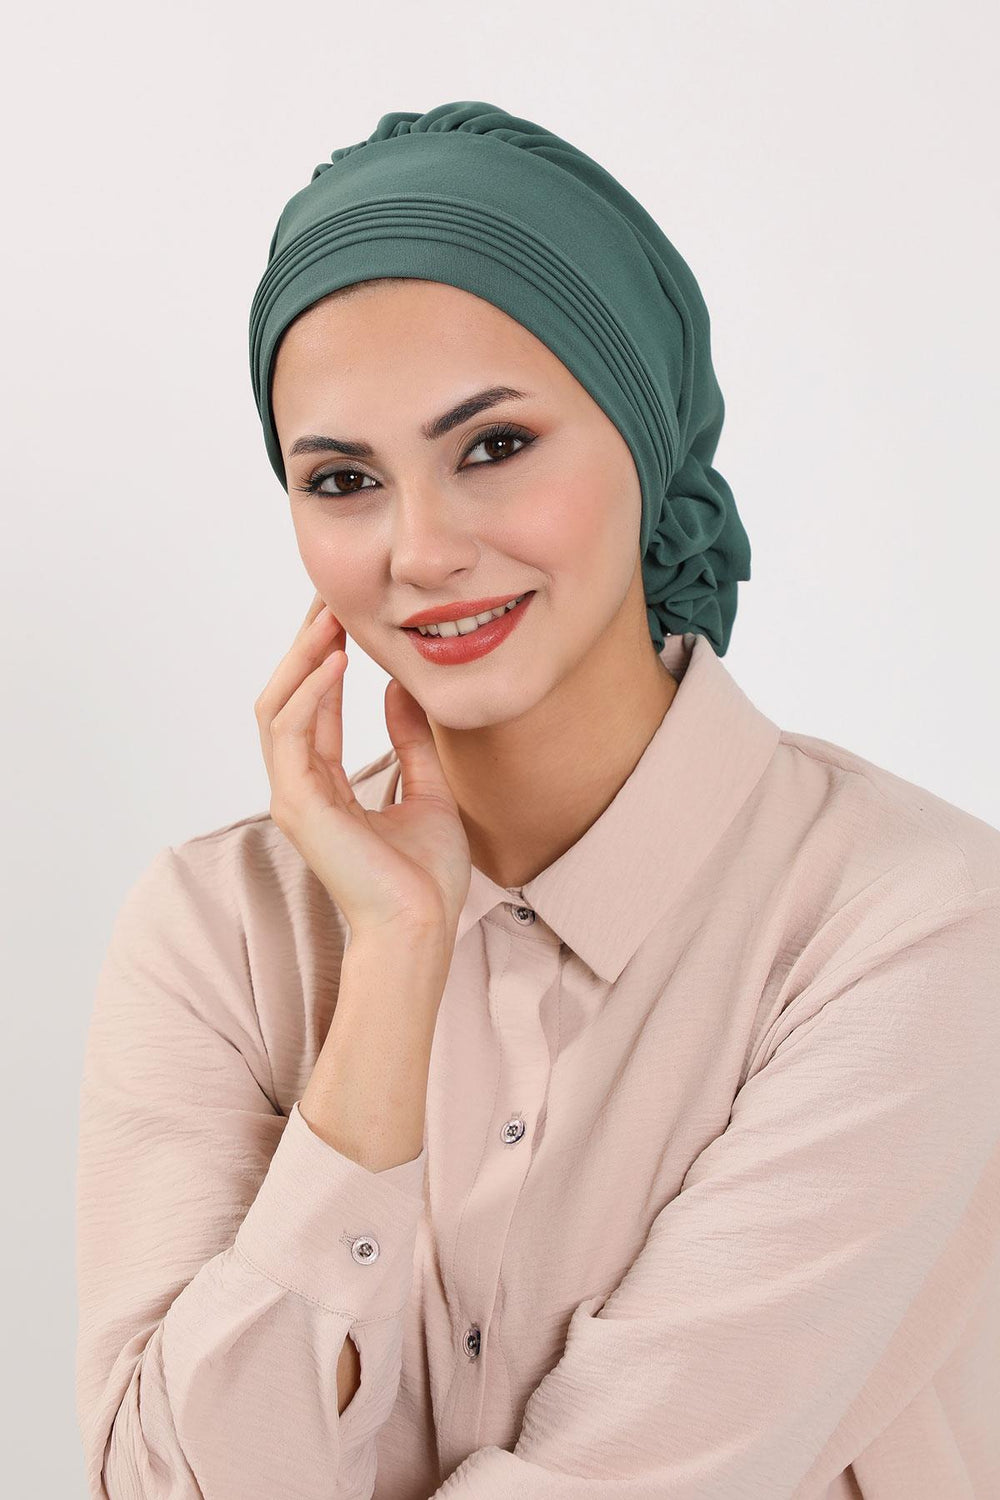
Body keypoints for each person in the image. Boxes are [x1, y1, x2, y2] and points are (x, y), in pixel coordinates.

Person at [75, 101, 1000, 1500]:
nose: (421, 549)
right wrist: (393, 968)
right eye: (344, 480)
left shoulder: (912, 927)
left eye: (494, 446)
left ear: (643, 437)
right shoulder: (217, 930)